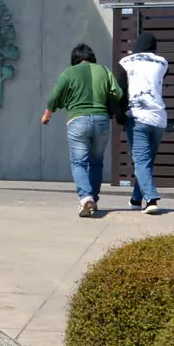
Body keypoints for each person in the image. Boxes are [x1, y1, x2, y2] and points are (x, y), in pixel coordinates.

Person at [41, 43, 121, 218]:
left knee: (79, 162)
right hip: (101, 120)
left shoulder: (70, 72)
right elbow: (118, 93)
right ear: (91, 57)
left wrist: (48, 113)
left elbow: (56, 94)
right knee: (97, 162)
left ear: (74, 59)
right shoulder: (104, 70)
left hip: (78, 120)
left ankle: (85, 198)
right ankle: (94, 199)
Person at [116, 33, 169, 215]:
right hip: (159, 118)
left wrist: (119, 115)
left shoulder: (126, 62)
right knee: (146, 162)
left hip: (137, 117)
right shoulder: (162, 62)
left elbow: (120, 90)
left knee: (140, 161)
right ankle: (136, 199)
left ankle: (151, 199)